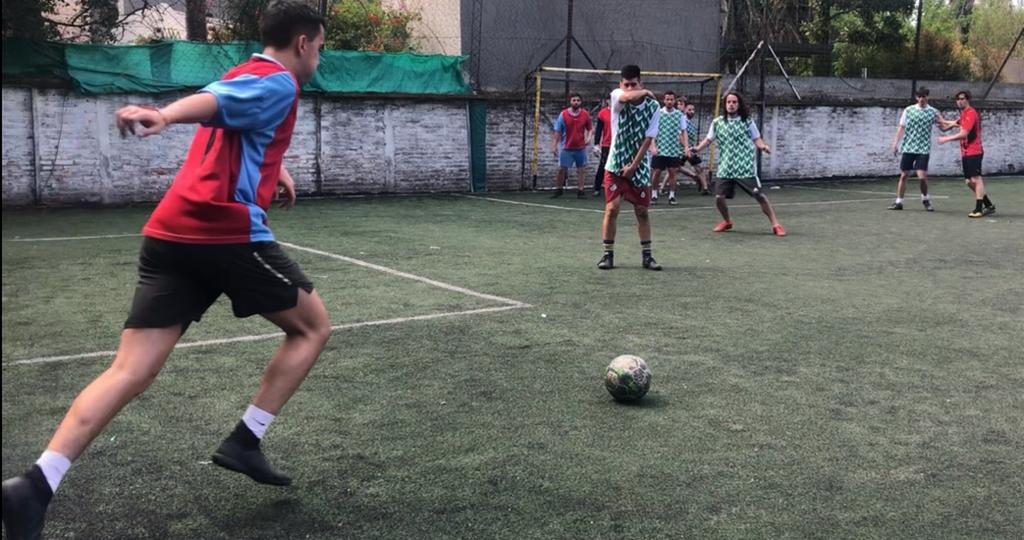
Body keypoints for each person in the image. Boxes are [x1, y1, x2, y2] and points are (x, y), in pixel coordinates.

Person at [1, 3, 331, 538]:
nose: (319, 57)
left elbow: (235, 119)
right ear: (302, 43)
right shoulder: (278, 83)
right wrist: (166, 115)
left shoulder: (246, 73)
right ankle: (246, 440)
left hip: (169, 234)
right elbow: (215, 104)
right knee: (312, 328)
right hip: (223, 233)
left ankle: (35, 484)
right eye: (320, 47)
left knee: (130, 370)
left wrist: (278, 168)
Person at [692, 91, 786, 236]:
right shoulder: (717, 122)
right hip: (726, 166)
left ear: (739, 104)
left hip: (745, 166)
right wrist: (697, 149)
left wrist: (763, 146)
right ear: (725, 105)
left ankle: (776, 224)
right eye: (728, 102)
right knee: (719, 198)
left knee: (759, 195)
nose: (731, 105)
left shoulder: (747, 121)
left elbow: (756, 138)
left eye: (734, 102)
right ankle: (727, 221)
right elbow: (709, 139)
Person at [598, 64, 663, 271]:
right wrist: (645, 92)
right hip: (615, 163)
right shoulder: (617, 97)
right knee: (612, 208)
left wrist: (634, 166)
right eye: (626, 85)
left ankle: (647, 256)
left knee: (642, 211)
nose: (629, 88)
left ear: (640, 83)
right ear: (621, 85)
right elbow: (627, 97)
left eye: (633, 85)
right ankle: (607, 255)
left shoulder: (654, 108)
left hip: (639, 165)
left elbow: (648, 139)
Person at [888, 87, 950, 212]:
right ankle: (899, 202)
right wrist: (895, 143)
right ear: (916, 98)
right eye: (919, 96)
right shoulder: (909, 110)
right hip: (908, 147)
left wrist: (954, 125)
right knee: (904, 175)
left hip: (923, 149)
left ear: (927, 97)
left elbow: (943, 127)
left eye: (924, 96)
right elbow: (901, 127)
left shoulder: (933, 112)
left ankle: (925, 200)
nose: (922, 99)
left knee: (922, 176)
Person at [938, 90, 996, 218]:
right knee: (969, 182)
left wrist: (946, 139)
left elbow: (964, 134)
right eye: (958, 99)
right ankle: (989, 205)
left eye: (962, 98)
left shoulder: (971, 113)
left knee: (976, 179)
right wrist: (942, 121)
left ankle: (979, 209)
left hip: (974, 151)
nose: (960, 101)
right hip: (965, 152)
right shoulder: (964, 114)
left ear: (967, 99)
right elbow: (955, 123)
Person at [649, 91, 690, 206]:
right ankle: (654, 195)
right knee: (656, 172)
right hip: (660, 148)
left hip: (673, 149)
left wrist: (686, 147)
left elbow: (684, 131)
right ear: (664, 100)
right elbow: (652, 131)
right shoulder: (658, 113)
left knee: (672, 173)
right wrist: (653, 146)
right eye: (667, 99)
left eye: (671, 99)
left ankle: (672, 196)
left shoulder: (679, 115)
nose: (669, 101)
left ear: (674, 100)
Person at [550, 92, 592, 198]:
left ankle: (581, 191)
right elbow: (557, 131)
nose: (576, 102)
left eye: (578, 100)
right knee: (561, 169)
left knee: (581, 169)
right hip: (566, 147)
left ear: (580, 102)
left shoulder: (585, 114)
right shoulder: (563, 114)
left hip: (580, 148)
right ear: (570, 102)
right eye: (574, 100)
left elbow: (590, 128)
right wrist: (554, 145)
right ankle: (559, 189)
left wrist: (588, 138)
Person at [679, 100, 711, 195]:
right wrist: (686, 147)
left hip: (691, 149)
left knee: (698, 167)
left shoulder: (691, 123)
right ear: (685, 110)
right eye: (689, 109)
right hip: (681, 150)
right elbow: (679, 135)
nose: (692, 111)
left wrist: (696, 146)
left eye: (693, 110)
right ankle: (694, 177)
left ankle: (705, 188)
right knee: (675, 167)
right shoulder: (682, 121)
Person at [591, 97, 612, 195]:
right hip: (607, 144)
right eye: (611, 100)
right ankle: (597, 188)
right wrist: (596, 144)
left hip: (619, 144)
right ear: (607, 101)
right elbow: (599, 130)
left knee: (621, 167)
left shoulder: (622, 112)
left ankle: (620, 188)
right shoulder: (603, 113)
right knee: (603, 166)